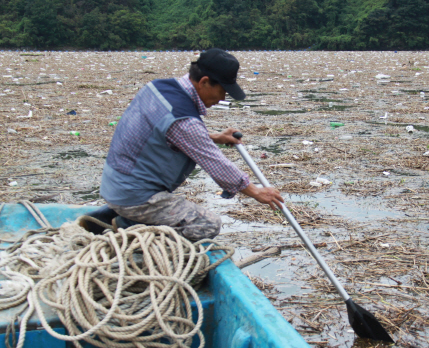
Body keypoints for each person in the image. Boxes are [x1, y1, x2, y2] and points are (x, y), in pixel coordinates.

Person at [82, 48, 283, 241]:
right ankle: (126, 224)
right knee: (207, 225)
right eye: (222, 91)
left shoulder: (158, 87)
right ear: (204, 82)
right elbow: (216, 164)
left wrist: (216, 137)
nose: (222, 98)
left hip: (115, 184)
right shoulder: (184, 122)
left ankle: (117, 215)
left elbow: (165, 133)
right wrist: (255, 191)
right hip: (135, 195)